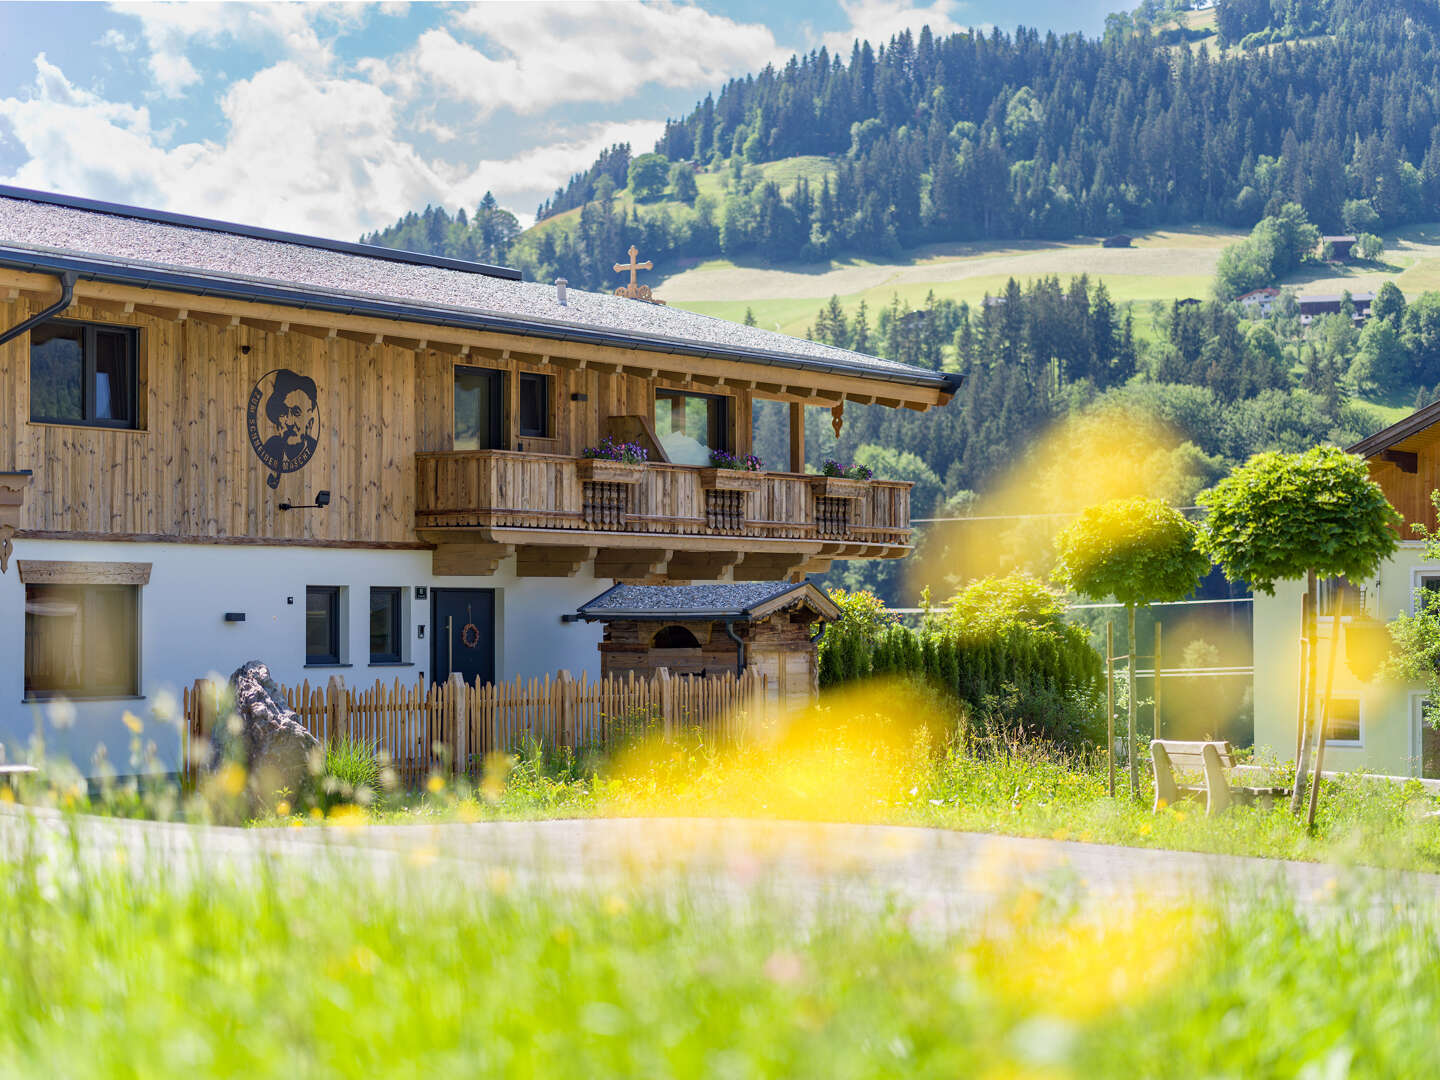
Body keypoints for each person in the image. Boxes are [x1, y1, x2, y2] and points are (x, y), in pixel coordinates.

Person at [260, 370, 318, 470]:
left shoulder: (318, 457)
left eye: (296, 413)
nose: (289, 422)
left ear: (310, 423)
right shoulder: (271, 448)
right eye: (283, 413)